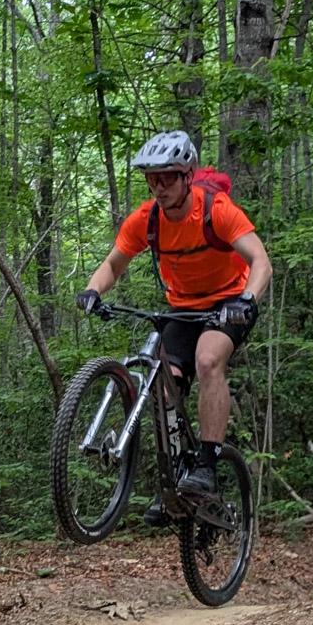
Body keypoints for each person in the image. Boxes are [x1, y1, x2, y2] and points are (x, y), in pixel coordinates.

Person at [76, 129, 272, 504]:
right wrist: (92, 291)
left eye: (167, 178)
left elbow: (260, 261)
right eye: (152, 179)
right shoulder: (146, 220)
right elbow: (113, 265)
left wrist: (248, 299)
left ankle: (207, 466)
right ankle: (176, 474)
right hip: (183, 307)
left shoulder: (216, 210)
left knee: (208, 359)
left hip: (229, 302)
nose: (159, 187)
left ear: (187, 175)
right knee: (164, 383)